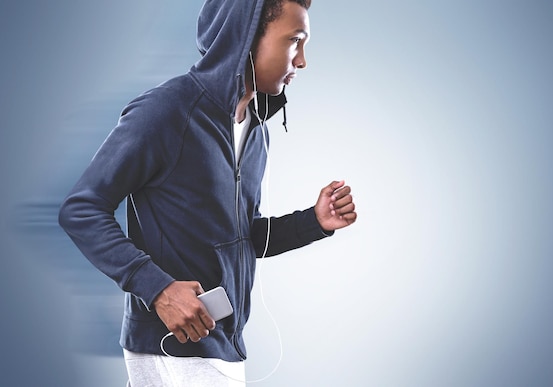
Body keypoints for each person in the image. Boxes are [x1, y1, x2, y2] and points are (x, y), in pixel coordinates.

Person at [58, 0, 357, 385]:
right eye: (294, 42)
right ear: (245, 37)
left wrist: (313, 222)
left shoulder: (257, 133)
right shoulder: (167, 112)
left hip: (223, 341)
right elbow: (82, 209)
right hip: (173, 342)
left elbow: (240, 238)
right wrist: (158, 288)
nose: (302, 61)